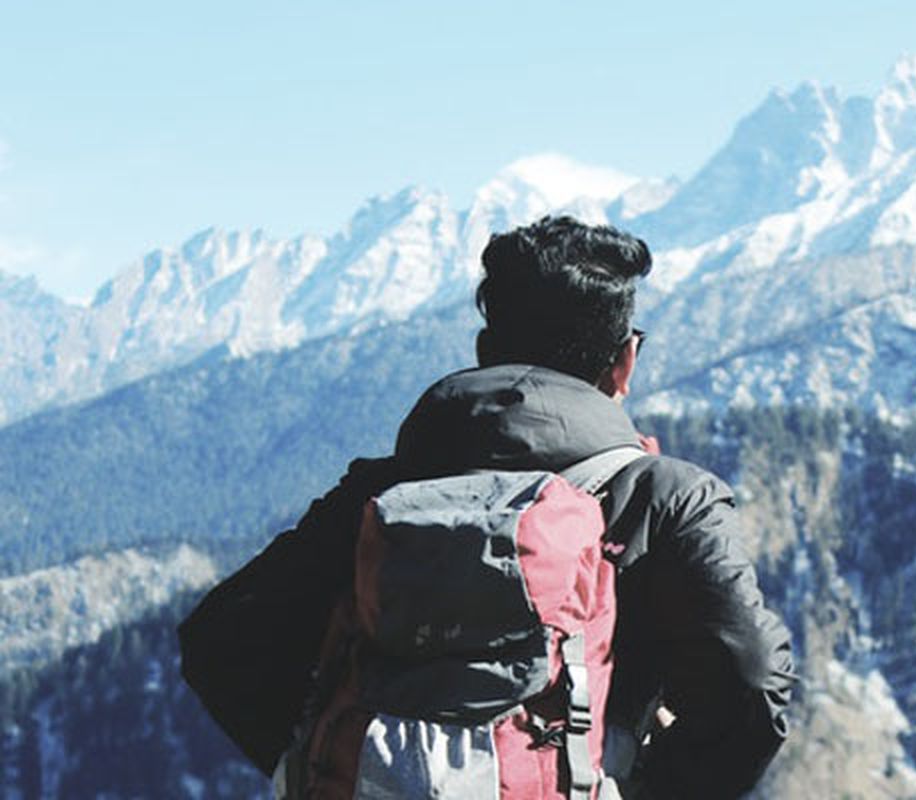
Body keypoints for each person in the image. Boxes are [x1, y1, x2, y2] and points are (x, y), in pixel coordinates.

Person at [181, 215, 794, 799]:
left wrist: (323, 764)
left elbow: (221, 640)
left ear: (484, 350)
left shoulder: (383, 494)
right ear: (625, 361)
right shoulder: (664, 497)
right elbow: (752, 683)